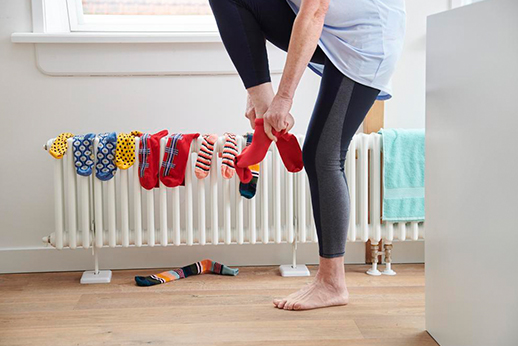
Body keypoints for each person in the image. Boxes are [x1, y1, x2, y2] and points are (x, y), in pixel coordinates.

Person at [208, 0, 406, 310]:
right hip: (330, 28)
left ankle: (332, 283)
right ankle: (263, 115)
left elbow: (315, 11)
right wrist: (259, 95)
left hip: (365, 41)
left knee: (321, 154)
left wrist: (284, 100)